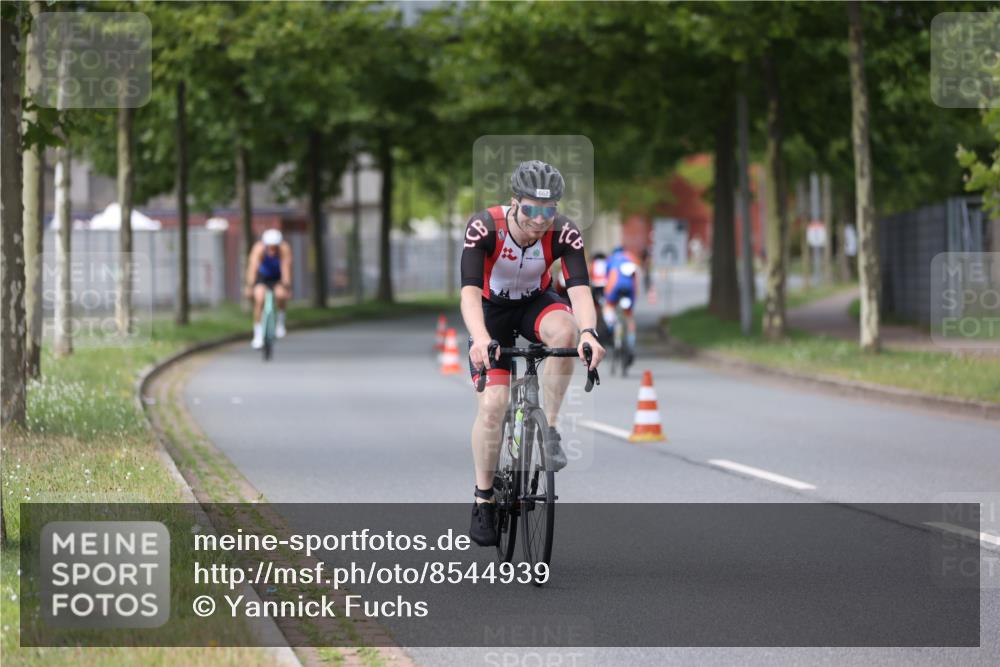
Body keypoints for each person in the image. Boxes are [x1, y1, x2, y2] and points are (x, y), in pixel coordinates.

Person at [460, 160, 605, 547]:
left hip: (534, 304)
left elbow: (578, 291)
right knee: (493, 406)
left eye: (549, 210)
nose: (541, 219)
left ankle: (551, 428)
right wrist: (478, 338)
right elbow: (470, 292)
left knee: (566, 330)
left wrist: (589, 332)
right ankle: (484, 498)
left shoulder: (565, 233)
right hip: (490, 313)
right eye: (531, 209)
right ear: (514, 203)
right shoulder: (485, 227)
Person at [245, 228, 292, 349]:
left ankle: (280, 323)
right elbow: (253, 268)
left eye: (274, 247)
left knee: (280, 295)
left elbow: (286, 268)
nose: (272, 250)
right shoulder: (259, 249)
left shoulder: (284, 249)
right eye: (270, 247)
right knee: (259, 299)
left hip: (277, 277)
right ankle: (258, 335)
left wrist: (287, 286)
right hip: (262, 277)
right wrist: (250, 286)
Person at [603, 245, 641, 358]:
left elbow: (606, 277)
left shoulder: (611, 259)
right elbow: (637, 277)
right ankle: (631, 345)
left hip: (614, 286)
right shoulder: (632, 257)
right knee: (629, 317)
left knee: (608, 307)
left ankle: (611, 328)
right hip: (630, 288)